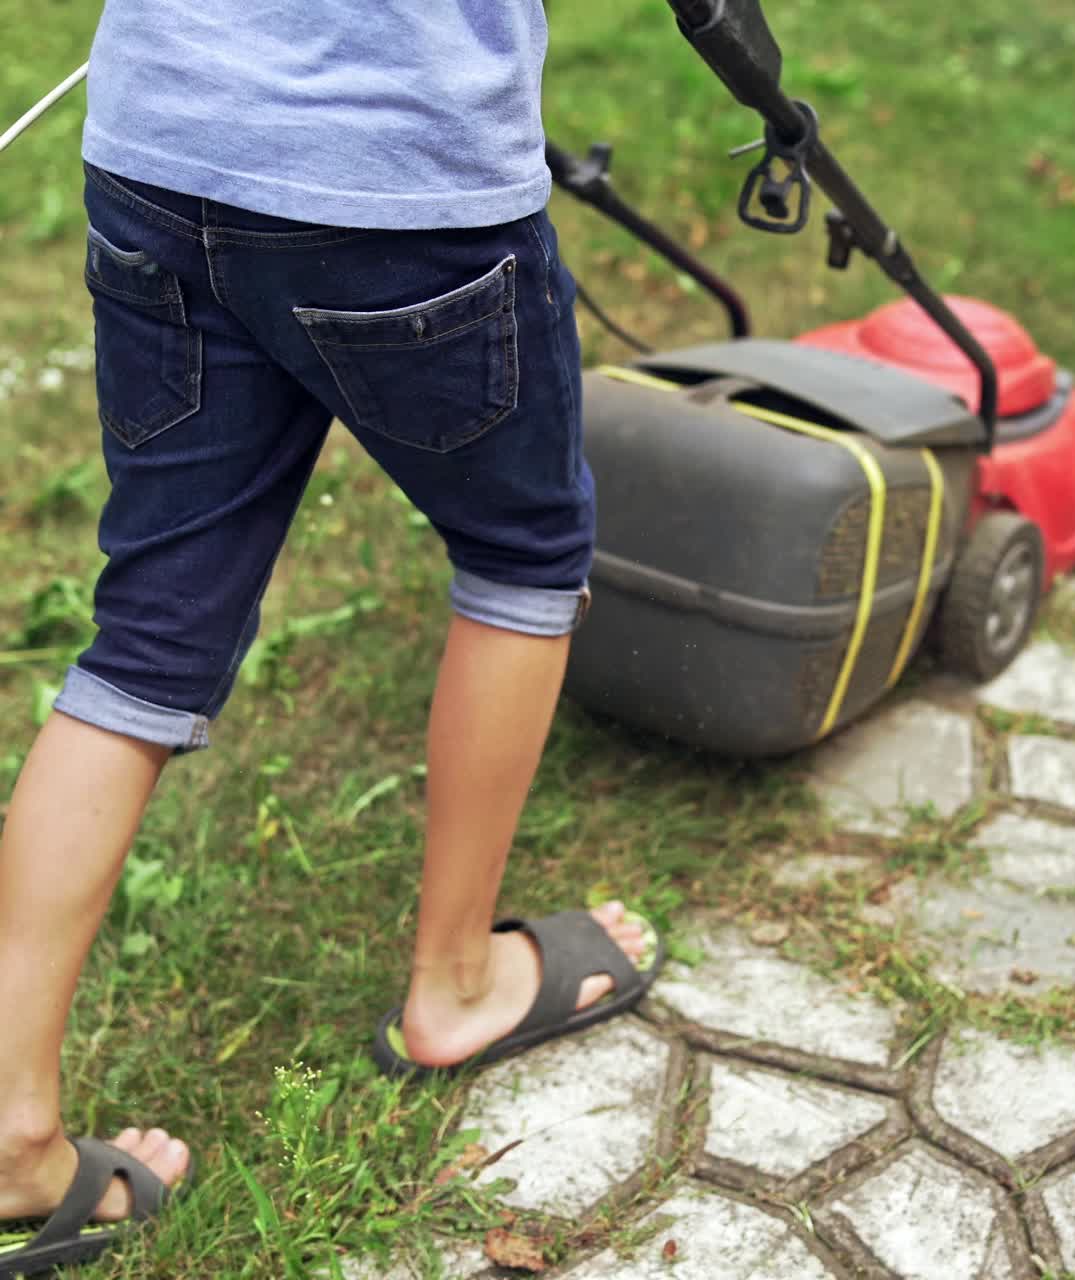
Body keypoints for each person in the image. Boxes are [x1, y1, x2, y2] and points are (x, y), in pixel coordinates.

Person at [0, 2, 663, 1271]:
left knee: (146, 635)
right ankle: (456, 986)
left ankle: (10, 1127)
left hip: (162, 147)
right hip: (396, 180)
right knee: (522, 555)